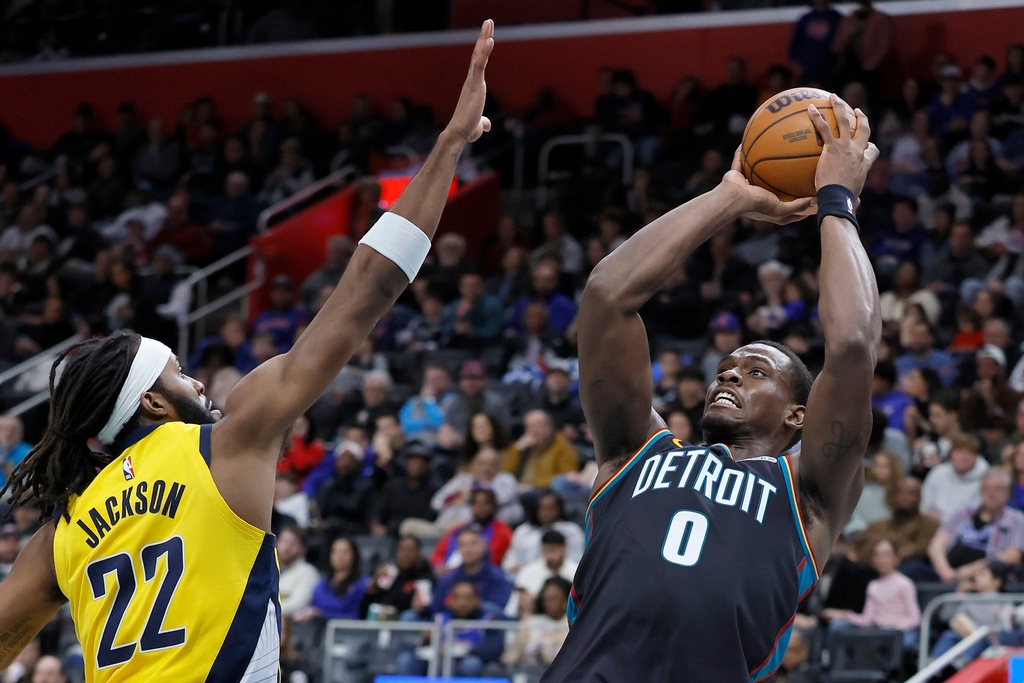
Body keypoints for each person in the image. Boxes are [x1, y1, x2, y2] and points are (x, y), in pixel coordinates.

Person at [0, 21, 497, 680]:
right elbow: (367, 289)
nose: (200, 384)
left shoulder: (63, 531)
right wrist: (449, 145)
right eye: (178, 373)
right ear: (148, 399)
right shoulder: (225, 444)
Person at [541, 95, 880, 681]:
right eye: (726, 367)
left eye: (756, 372)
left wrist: (836, 202)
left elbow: (851, 344)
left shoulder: (808, 492)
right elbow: (606, 295)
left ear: (800, 415)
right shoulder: (633, 454)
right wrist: (730, 198)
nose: (728, 374)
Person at [927, 470, 1024, 583]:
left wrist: (972, 569)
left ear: (1008, 493)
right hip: (949, 574)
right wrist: (947, 573)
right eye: (986, 488)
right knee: (914, 569)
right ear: (980, 491)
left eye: (997, 489)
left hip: (988, 577)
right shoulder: (963, 512)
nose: (991, 493)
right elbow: (936, 545)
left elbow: (1013, 555)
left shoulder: (1017, 519)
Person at [824, 538, 920, 649]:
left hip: (898, 632)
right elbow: (867, 619)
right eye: (877, 555)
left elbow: (914, 618)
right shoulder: (873, 585)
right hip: (877, 631)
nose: (881, 560)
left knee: (906, 642)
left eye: (886, 555)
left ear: (896, 558)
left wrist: (891, 626)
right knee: (838, 626)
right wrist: (845, 615)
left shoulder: (905, 584)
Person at [277, 524, 320, 619]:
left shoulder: (308, 572)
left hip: (293, 627)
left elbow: (298, 603)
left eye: (292, 543)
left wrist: (266, 610)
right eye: (283, 541)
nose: (286, 548)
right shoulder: (268, 567)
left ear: (302, 549)